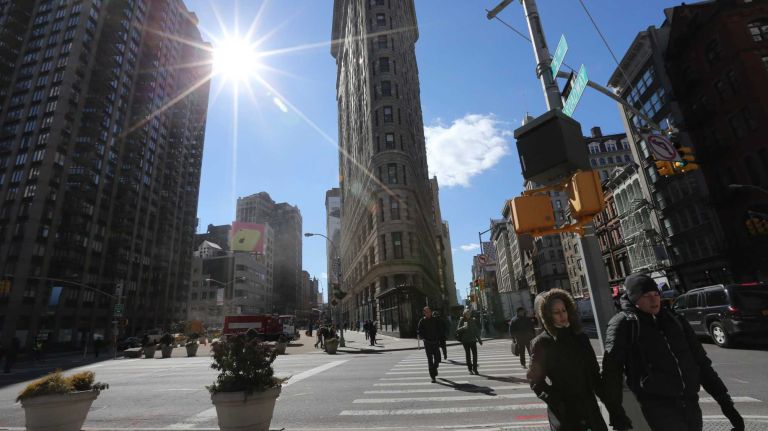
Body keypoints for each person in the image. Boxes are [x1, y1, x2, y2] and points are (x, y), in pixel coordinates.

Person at [602, 273, 744, 431]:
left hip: (690, 401)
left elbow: (701, 362)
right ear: (635, 299)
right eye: (646, 295)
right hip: (658, 404)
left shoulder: (674, 318)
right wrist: (616, 413)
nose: (654, 299)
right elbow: (611, 373)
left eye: (656, 294)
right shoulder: (624, 324)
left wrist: (725, 402)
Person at [527, 289, 609, 431]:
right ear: (547, 316)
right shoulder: (542, 343)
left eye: (564, 310)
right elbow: (535, 381)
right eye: (556, 312)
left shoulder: (580, 337)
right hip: (564, 412)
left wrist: (613, 406)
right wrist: (558, 402)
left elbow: (594, 373)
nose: (562, 315)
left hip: (589, 406)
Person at [417, 306, 443, 383]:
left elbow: (440, 329)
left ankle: (434, 368)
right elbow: (419, 331)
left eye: (429, 311)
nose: (428, 313)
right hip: (427, 343)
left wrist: (439, 337)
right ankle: (433, 377)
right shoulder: (422, 321)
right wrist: (423, 337)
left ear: (431, 312)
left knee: (437, 359)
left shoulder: (435, 320)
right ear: (424, 313)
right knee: (430, 360)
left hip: (435, 342)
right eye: (426, 312)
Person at [457, 310, 482, 375]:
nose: (468, 315)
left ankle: (475, 368)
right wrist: (463, 327)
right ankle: (470, 369)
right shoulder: (462, 320)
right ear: (464, 314)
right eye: (467, 314)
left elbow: (476, 330)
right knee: (468, 355)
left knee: (475, 354)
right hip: (465, 341)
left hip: (473, 340)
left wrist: (479, 339)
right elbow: (458, 330)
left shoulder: (472, 320)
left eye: (469, 314)